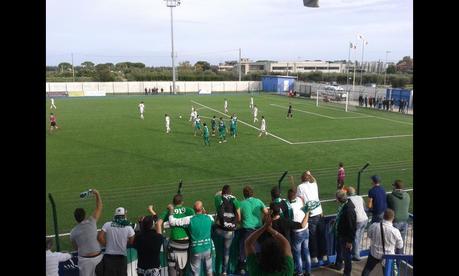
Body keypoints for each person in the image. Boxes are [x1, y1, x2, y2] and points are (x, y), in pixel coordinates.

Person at [167, 201, 214, 276]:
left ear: (194, 209)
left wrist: (171, 210)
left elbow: (172, 222)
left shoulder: (189, 219)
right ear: (202, 209)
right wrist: (205, 213)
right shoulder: (209, 218)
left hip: (196, 250)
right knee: (209, 271)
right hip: (207, 249)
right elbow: (210, 218)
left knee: (196, 273)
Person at [156, 194, 195, 276]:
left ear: (173, 202)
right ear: (182, 202)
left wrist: (159, 239)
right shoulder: (189, 210)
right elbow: (195, 223)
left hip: (173, 244)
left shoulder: (169, 210)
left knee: (172, 269)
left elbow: (158, 223)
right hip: (186, 244)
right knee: (184, 270)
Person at [70, 189, 103, 276]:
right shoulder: (92, 221)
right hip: (98, 259)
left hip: (84, 262)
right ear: (85, 215)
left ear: (76, 219)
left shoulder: (73, 232)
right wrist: (97, 193)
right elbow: (99, 207)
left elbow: (75, 248)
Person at [361, 209, 403, 276]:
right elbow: (400, 246)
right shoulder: (395, 231)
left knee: (367, 270)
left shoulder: (374, 226)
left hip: (374, 253)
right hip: (388, 257)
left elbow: (369, 235)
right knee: (387, 273)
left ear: (383, 216)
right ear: (393, 218)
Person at [238, 185, 269, 274]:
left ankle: (242, 268)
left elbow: (239, 218)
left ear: (244, 194)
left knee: (244, 249)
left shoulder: (241, 203)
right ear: (252, 193)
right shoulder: (258, 201)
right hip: (258, 229)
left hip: (247, 229)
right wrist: (263, 221)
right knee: (258, 249)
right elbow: (266, 213)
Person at [296, 170, 325, 264]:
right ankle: (324, 255)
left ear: (301, 179)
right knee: (321, 235)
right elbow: (314, 180)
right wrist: (310, 174)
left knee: (312, 237)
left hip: (311, 215)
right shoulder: (314, 184)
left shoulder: (300, 187)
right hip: (319, 213)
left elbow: (299, 200)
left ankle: (314, 256)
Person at [97, 207, 135, 276]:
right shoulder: (128, 227)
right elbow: (132, 241)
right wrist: (124, 244)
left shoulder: (107, 224)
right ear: (124, 216)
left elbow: (100, 237)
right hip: (121, 257)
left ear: (115, 215)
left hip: (108, 257)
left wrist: (106, 245)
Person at [214, 185, 241, 276]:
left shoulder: (218, 198)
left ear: (222, 192)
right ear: (231, 192)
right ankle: (224, 271)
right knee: (226, 251)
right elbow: (239, 217)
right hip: (230, 230)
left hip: (219, 230)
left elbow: (216, 195)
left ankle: (216, 271)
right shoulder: (235, 200)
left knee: (217, 250)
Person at [329, 190, 356, 276]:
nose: (335, 200)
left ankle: (347, 273)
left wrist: (350, 241)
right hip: (341, 234)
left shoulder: (348, 210)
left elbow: (352, 227)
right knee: (343, 253)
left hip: (345, 237)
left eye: (336, 198)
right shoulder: (345, 206)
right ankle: (340, 266)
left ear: (339, 199)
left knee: (347, 256)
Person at [288, 188, 312, 276]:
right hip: (306, 229)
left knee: (297, 253)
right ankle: (308, 271)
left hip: (297, 232)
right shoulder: (299, 200)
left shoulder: (290, 207)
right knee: (306, 251)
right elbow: (300, 198)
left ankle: (299, 272)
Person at [386, 180, 410, 254]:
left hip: (395, 221)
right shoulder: (407, 195)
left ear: (395, 186)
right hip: (405, 221)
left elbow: (387, 207)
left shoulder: (390, 196)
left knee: (391, 242)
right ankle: (398, 260)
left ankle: (391, 262)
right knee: (400, 243)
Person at [347, 186, 368, 261]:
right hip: (365, 219)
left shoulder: (349, 199)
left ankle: (356, 255)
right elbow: (365, 208)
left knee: (356, 238)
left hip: (358, 220)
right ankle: (356, 252)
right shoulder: (360, 197)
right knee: (359, 237)